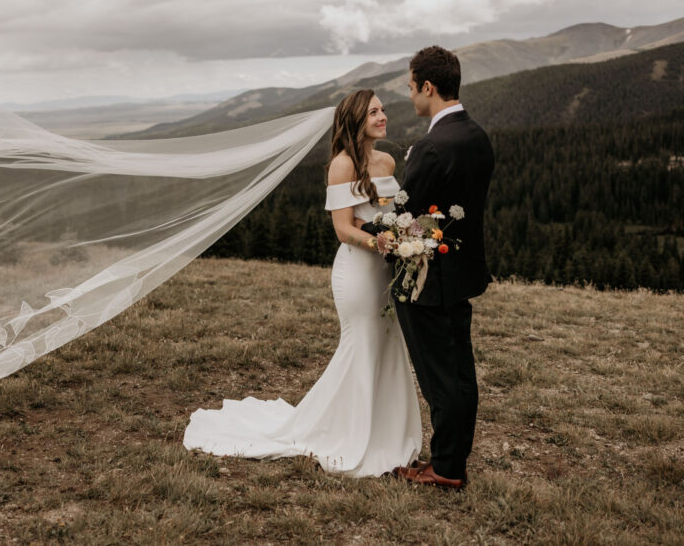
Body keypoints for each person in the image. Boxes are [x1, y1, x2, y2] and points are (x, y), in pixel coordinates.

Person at [182, 89, 422, 476]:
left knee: (389, 346)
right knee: (361, 345)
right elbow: (344, 230)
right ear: (356, 120)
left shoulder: (388, 160)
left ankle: (388, 435)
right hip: (360, 271)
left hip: (387, 270)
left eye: (383, 110)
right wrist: (384, 242)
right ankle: (347, 433)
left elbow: (387, 214)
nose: (383, 117)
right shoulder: (342, 165)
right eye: (374, 112)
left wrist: (404, 238)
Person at [366, 45, 494, 490]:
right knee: (461, 371)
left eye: (410, 87)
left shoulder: (432, 146)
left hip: (427, 281)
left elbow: (405, 211)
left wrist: (361, 225)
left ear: (428, 86)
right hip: (463, 274)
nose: (409, 96)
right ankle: (453, 461)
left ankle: (444, 468)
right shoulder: (476, 135)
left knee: (440, 376)